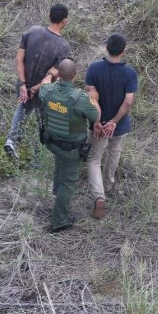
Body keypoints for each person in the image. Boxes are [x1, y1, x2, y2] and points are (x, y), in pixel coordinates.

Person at [3, 3, 71, 161]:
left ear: (49, 16)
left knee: (23, 108)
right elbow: (53, 73)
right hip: (43, 91)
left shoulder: (32, 31)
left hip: (23, 85)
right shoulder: (63, 46)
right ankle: (39, 156)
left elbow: (19, 59)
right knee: (44, 122)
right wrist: (34, 89)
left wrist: (23, 85)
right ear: (65, 21)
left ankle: (12, 140)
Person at [39, 58, 99, 233]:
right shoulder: (80, 98)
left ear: (59, 74)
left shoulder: (48, 91)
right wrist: (93, 98)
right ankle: (59, 221)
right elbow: (95, 116)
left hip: (52, 142)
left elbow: (44, 83)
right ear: (75, 76)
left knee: (60, 164)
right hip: (70, 148)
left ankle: (57, 195)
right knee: (68, 183)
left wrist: (50, 74)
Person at [85, 33, 138, 219]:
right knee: (114, 153)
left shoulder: (94, 69)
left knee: (93, 159)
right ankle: (107, 186)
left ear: (106, 47)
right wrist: (114, 122)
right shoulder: (130, 73)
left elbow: (92, 98)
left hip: (97, 126)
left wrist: (98, 122)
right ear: (123, 51)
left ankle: (99, 196)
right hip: (119, 125)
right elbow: (129, 101)